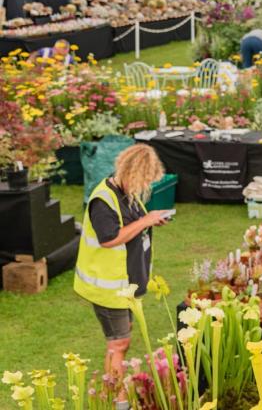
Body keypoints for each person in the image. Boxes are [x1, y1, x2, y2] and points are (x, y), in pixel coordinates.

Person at [73, 144, 170, 398]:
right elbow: (109, 239)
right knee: (119, 343)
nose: (143, 187)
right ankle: (117, 399)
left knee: (120, 341)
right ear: (130, 172)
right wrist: (145, 221)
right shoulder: (102, 200)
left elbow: (132, 226)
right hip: (109, 288)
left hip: (124, 286)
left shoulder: (126, 192)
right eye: (143, 180)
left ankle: (111, 393)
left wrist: (150, 220)